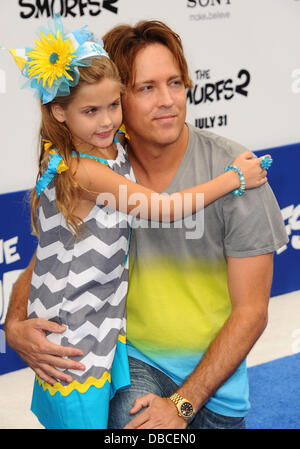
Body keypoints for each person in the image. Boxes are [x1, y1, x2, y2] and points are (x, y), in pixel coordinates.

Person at [4, 19, 286, 429]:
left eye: (175, 82)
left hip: (215, 387)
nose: (168, 100)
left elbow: (252, 313)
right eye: (147, 88)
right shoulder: (102, 164)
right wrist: (14, 326)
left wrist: (183, 404)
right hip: (128, 363)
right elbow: (50, 257)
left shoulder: (232, 164)